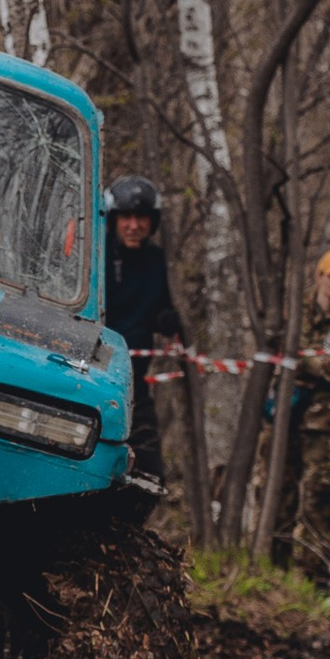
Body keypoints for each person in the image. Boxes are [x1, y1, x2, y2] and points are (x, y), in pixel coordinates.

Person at [266, 245, 330, 563]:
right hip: (284, 411)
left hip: (324, 419)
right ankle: (273, 567)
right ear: (319, 276)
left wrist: (302, 359)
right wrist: (315, 360)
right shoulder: (292, 314)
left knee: (319, 495)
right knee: (278, 488)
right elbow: (283, 347)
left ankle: (316, 572)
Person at [102, 173, 186, 483]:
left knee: (149, 471)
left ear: (153, 222)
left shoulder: (158, 261)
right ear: (113, 219)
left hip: (135, 386)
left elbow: (161, 309)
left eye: (142, 217)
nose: (134, 225)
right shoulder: (96, 258)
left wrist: (166, 318)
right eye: (126, 217)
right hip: (92, 377)